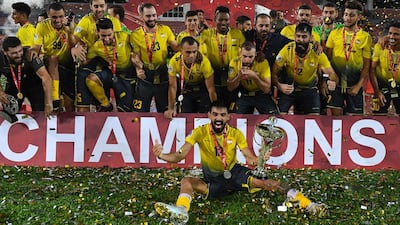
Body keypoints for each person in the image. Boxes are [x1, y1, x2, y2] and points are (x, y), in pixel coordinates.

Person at [152, 100, 326, 224]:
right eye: (214, 114)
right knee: (186, 182)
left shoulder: (235, 134)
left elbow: (248, 157)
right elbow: (180, 156)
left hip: (235, 174)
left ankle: (308, 204)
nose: (218, 118)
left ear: (229, 117)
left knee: (267, 183)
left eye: (222, 115)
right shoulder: (199, 132)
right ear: (209, 115)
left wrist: (260, 159)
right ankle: (182, 211)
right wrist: (162, 156)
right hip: (213, 181)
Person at [272, 23, 337, 115]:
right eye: (298, 36)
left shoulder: (317, 52)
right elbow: (274, 72)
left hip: (309, 90)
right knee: (279, 117)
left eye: (304, 37)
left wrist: (332, 81)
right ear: (294, 36)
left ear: (311, 38)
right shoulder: (287, 49)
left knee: (314, 119)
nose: (301, 40)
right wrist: (279, 85)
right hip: (289, 89)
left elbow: (332, 74)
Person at [72, 0, 122, 112]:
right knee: (82, 106)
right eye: (96, 6)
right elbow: (74, 39)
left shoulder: (114, 22)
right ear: (90, 6)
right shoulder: (85, 21)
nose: (99, 9)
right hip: (89, 61)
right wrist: (75, 47)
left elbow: (118, 41)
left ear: (106, 6)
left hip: (107, 63)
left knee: (103, 106)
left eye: (101, 6)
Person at [77, 18, 135, 112]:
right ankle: (106, 105)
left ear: (113, 31)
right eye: (103, 35)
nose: (107, 38)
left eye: (109, 35)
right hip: (111, 74)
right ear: (97, 33)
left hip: (127, 76)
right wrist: (78, 51)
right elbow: (84, 61)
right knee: (91, 80)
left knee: (124, 110)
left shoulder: (125, 37)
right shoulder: (96, 46)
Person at [325, 0, 372, 115]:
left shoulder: (365, 37)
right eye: (346, 14)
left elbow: (367, 65)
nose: (347, 18)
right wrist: (328, 79)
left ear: (359, 17)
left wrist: (358, 85)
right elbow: (326, 59)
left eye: (352, 15)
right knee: (336, 120)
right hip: (336, 84)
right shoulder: (334, 34)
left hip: (354, 84)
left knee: (354, 120)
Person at [130, 3, 179, 112]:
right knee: (139, 112)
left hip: (162, 74)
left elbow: (177, 48)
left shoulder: (165, 30)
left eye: (154, 15)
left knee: (165, 111)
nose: (152, 18)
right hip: (145, 77)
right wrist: (138, 69)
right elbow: (135, 55)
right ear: (141, 17)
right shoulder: (135, 35)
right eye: (148, 16)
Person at [199, 6, 245, 112]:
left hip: (232, 77)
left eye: (226, 20)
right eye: (220, 20)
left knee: (231, 110)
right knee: (213, 108)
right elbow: (201, 53)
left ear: (230, 20)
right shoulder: (206, 34)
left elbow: (243, 53)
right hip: (213, 77)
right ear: (215, 20)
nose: (223, 22)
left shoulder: (237, 34)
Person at [32, 2, 76, 112]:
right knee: (53, 58)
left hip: (67, 63)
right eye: (54, 17)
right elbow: (37, 46)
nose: (58, 20)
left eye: (60, 17)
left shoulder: (69, 25)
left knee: (69, 102)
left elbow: (74, 45)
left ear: (64, 15)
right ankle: (55, 99)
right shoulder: (42, 26)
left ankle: (69, 125)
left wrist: (69, 31)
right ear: (48, 16)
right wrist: (33, 52)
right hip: (49, 61)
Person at [0, 36, 53, 121]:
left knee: (40, 113)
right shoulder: (1, 58)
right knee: (9, 110)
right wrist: (1, 92)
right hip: (14, 86)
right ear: (5, 52)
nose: (18, 55)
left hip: (34, 86)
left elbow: (46, 78)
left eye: (20, 51)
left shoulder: (30, 54)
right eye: (14, 53)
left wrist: (48, 103)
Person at [164, 36, 216, 119]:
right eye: (188, 52)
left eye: (194, 52)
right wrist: (170, 108)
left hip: (202, 88)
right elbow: (172, 86)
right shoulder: (174, 61)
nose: (191, 55)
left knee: (204, 114)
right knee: (185, 114)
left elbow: (211, 88)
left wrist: (215, 110)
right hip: (185, 88)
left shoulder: (204, 62)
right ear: (181, 51)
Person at [227, 41, 277, 114]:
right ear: (240, 53)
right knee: (235, 118)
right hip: (244, 94)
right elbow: (230, 87)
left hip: (261, 95)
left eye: (250, 57)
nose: (247, 60)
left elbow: (267, 89)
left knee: (274, 117)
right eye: (244, 56)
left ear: (255, 55)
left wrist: (254, 76)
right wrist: (238, 77)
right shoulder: (234, 62)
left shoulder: (263, 63)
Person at [312, 2, 343, 115]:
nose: (328, 15)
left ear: (336, 14)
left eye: (331, 12)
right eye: (326, 12)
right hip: (319, 71)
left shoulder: (341, 29)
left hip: (337, 72)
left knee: (337, 108)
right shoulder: (314, 31)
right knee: (321, 107)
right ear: (322, 13)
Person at [370, 22, 400, 115]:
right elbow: (372, 70)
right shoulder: (380, 47)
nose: (392, 36)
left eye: (396, 34)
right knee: (378, 116)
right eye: (390, 33)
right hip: (382, 87)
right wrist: (377, 91)